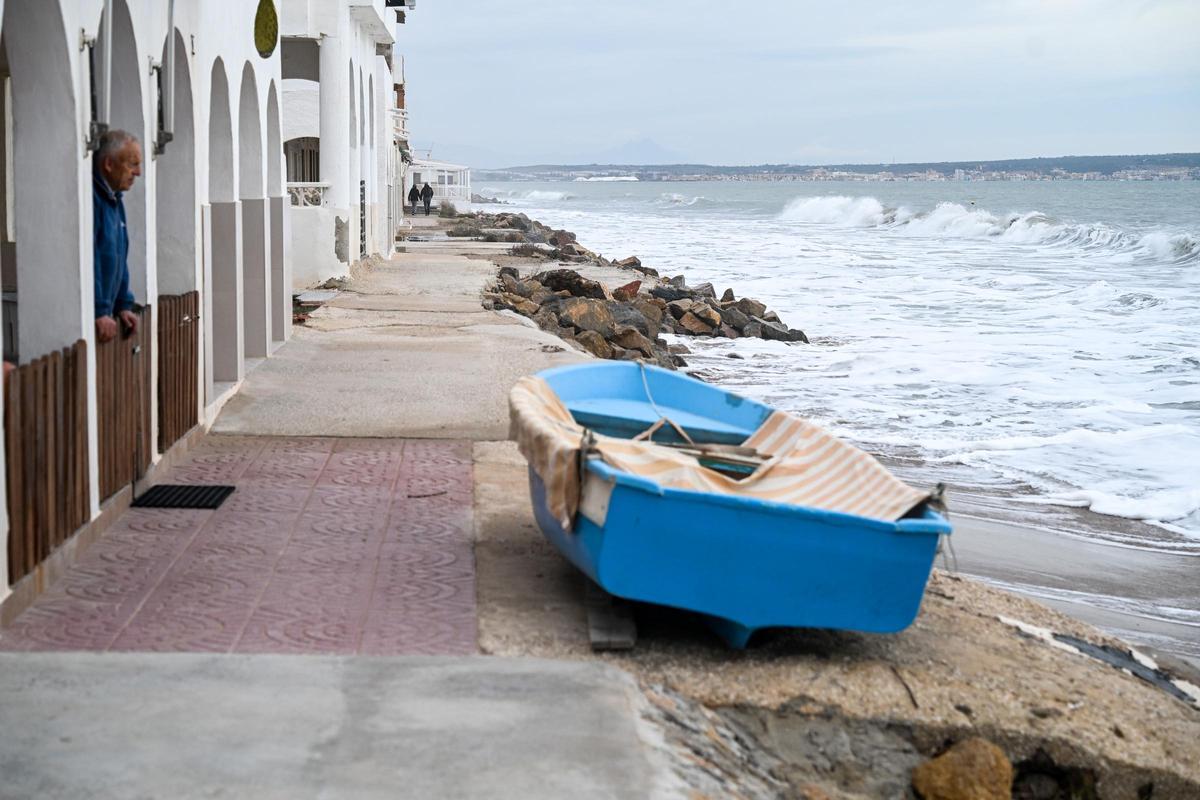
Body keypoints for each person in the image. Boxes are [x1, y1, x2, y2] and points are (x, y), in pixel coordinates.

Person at [93, 129, 142, 344]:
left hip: (109, 315)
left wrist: (123, 304)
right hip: (96, 321)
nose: (138, 172)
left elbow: (119, 256)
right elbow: (92, 256)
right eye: (132, 164)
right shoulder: (94, 199)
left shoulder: (115, 199)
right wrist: (100, 310)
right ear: (109, 164)